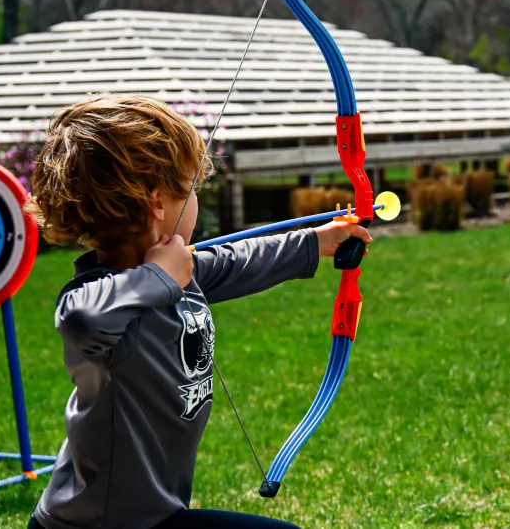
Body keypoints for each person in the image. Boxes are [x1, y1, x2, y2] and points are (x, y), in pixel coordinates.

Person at [23, 94, 370, 529]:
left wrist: (315, 241)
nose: (196, 201)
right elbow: (81, 321)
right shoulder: (97, 292)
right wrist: (159, 276)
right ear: (156, 204)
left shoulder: (179, 270)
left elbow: (238, 259)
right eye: (189, 190)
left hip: (155, 515)